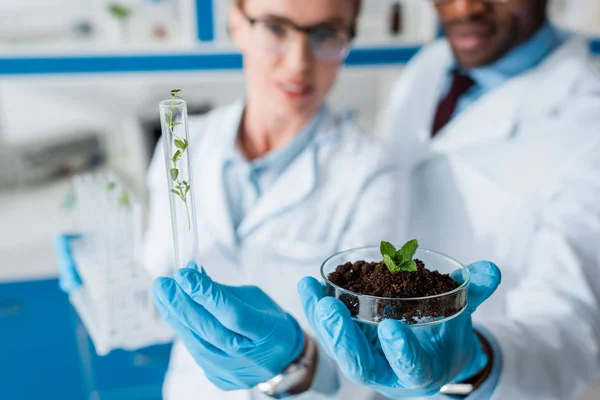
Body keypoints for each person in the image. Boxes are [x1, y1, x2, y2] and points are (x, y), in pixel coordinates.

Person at [55, 0, 415, 399]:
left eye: (326, 34)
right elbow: (167, 307)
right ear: (237, 24)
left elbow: (367, 356)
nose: (299, 62)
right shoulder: (182, 148)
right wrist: (108, 289)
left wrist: (297, 360)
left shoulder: (376, 172)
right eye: (276, 28)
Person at [298, 0, 600, 399]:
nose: (462, 8)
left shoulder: (587, 117)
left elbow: (572, 328)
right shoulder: (431, 65)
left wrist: (476, 362)